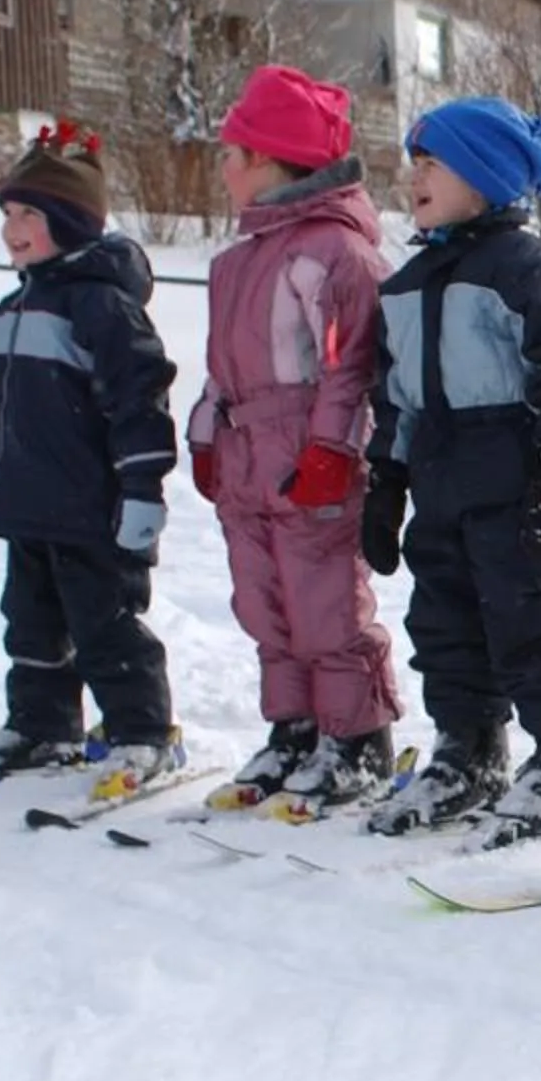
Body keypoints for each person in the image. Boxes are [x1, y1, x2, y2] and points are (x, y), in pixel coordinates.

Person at [360, 96, 541, 839]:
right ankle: (469, 748)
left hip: (513, 473)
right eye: (414, 162)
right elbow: (396, 398)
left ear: (482, 178)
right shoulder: (404, 286)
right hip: (439, 479)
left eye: (433, 163)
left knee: (532, 614)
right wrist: (385, 482)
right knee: (443, 619)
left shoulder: (526, 269)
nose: (414, 176)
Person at [0, 124, 183, 799]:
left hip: (91, 513)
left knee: (105, 628)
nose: (14, 229)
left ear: (73, 223)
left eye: (31, 215)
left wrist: (141, 493)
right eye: (9, 214)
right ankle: (44, 725)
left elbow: (141, 404)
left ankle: (142, 732)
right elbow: (0, 419)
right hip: (28, 507)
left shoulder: (101, 307)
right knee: (31, 623)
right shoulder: (12, 308)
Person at [186, 63, 404, 810]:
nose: (221, 169)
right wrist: (207, 433)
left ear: (266, 160)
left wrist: (333, 449)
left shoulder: (333, 253)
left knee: (324, 602)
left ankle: (357, 735)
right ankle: (296, 726)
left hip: (307, 455)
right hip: (249, 457)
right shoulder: (235, 262)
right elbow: (221, 368)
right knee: (263, 599)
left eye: (229, 154)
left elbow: (350, 369)